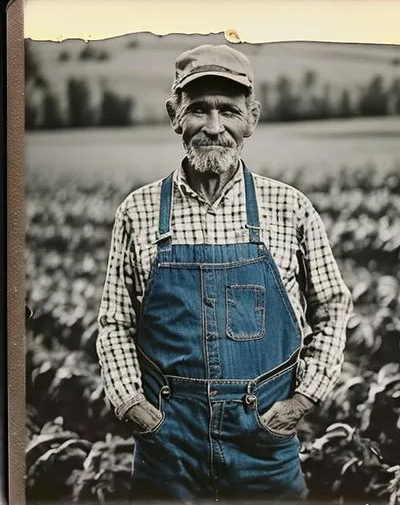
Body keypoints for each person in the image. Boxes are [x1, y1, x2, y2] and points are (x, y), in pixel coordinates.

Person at [96, 44, 353, 502]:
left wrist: (302, 400)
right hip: (168, 443)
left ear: (251, 118)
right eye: (198, 109)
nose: (214, 127)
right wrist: (132, 404)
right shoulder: (137, 211)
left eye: (229, 111)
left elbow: (333, 307)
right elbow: (115, 322)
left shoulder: (289, 207)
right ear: (175, 115)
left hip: (263, 440)